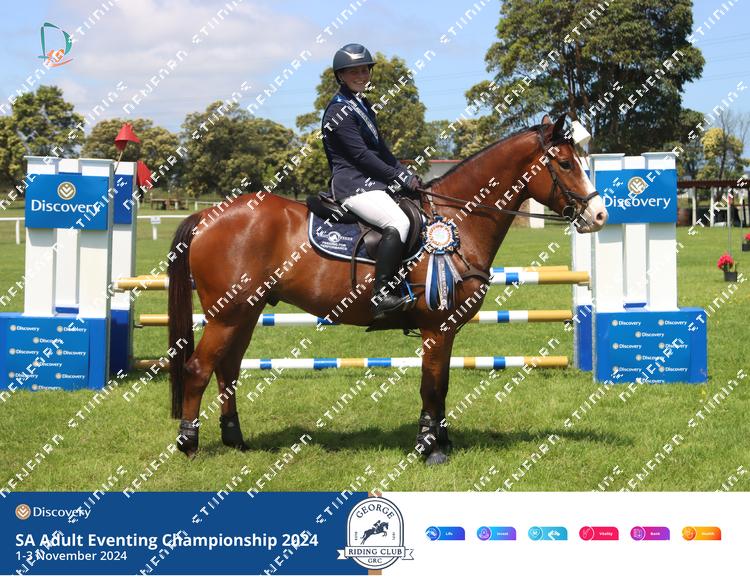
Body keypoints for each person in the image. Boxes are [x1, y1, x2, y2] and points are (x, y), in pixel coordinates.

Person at [321, 43, 422, 320]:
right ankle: (381, 296)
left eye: (364, 70)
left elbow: (382, 151)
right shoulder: (338, 111)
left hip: (372, 182)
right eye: (353, 71)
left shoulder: (362, 105)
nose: (360, 75)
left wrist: (406, 173)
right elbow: (361, 156)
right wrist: (397, 176)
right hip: (352, 184)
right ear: (340, 75)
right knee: (398, 222)